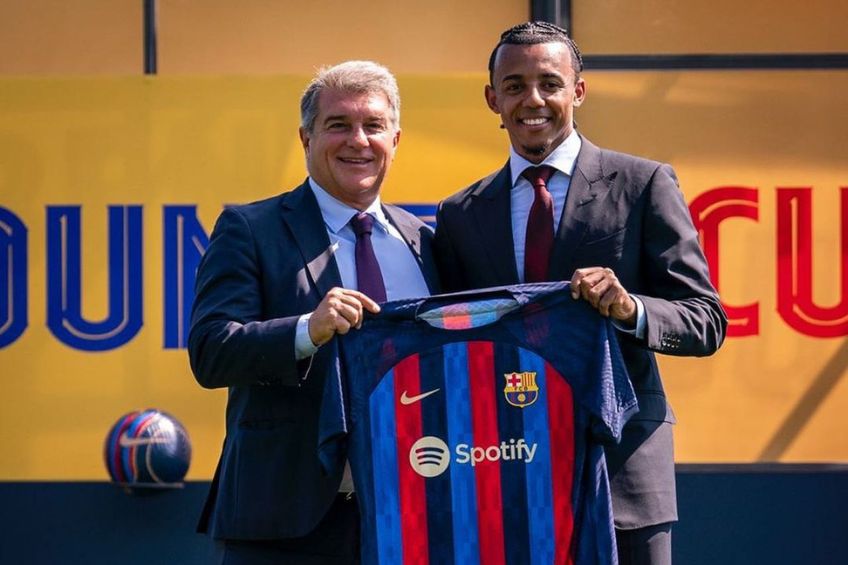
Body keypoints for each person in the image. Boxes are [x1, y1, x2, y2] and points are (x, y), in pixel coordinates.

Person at [434, 22, 727, 565]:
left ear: (579, 91)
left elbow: (705, 320)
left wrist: (629, 308)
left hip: (623, 473)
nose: (533, 100)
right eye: (515, 85)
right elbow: (453, 341)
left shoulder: (643, 184)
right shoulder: (460, 214)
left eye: (550, 82)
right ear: (491, 98)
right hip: (505, 469)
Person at [188, 60, 439, 564]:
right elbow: (211, 351)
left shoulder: (427, 240)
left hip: (413, 515)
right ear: (305, 138)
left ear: (396, 138)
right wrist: (307, 330)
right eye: (338, 125)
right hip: (285, 523)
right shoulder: (249, 228)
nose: (358, 141)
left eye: (373, 126)